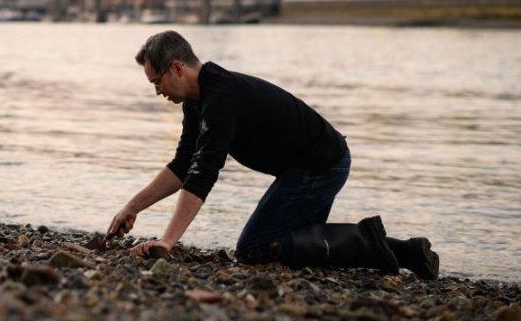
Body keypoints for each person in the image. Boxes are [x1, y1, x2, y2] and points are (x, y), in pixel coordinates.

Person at [108, 30, 439, 279]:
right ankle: (407, 252)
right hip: (308, 164)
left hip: (321, 164)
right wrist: (131, 207)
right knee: (295, 244)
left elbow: (204, 171)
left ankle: (379, 245)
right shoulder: (199, 100)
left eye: (157, 81)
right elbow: (183, 165)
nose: (157, 91)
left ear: (177, 68)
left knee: (255, 248)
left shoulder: (220, 98)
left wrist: (168, 241)